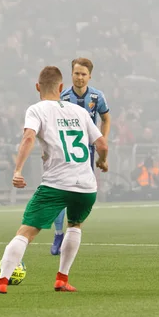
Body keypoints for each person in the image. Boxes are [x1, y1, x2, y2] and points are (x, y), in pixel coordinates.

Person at [0, 66, 109, 294]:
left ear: (37, 87)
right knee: (75, 225)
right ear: (61, 87)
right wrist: (102, 161)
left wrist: (18, 170)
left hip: (56, 184)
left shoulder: (36, 109)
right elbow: (102, 144)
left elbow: (29, 136)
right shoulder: (79, 111)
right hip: (86, 186)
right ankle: (62, 278)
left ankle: (1, 282)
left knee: (26, 231)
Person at [51, 58, 111, 255]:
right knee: (62, 191)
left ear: (89, 76)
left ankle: (69, 234)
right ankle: (59, 235)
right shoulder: (63, 96)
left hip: (87, 152)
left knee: (79, 192)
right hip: (64, 150)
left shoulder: (96, 96)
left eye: (83, 74)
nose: (79, 77)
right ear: (72, 74)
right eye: (76, 73)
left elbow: (106, 117)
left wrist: (103, 138)